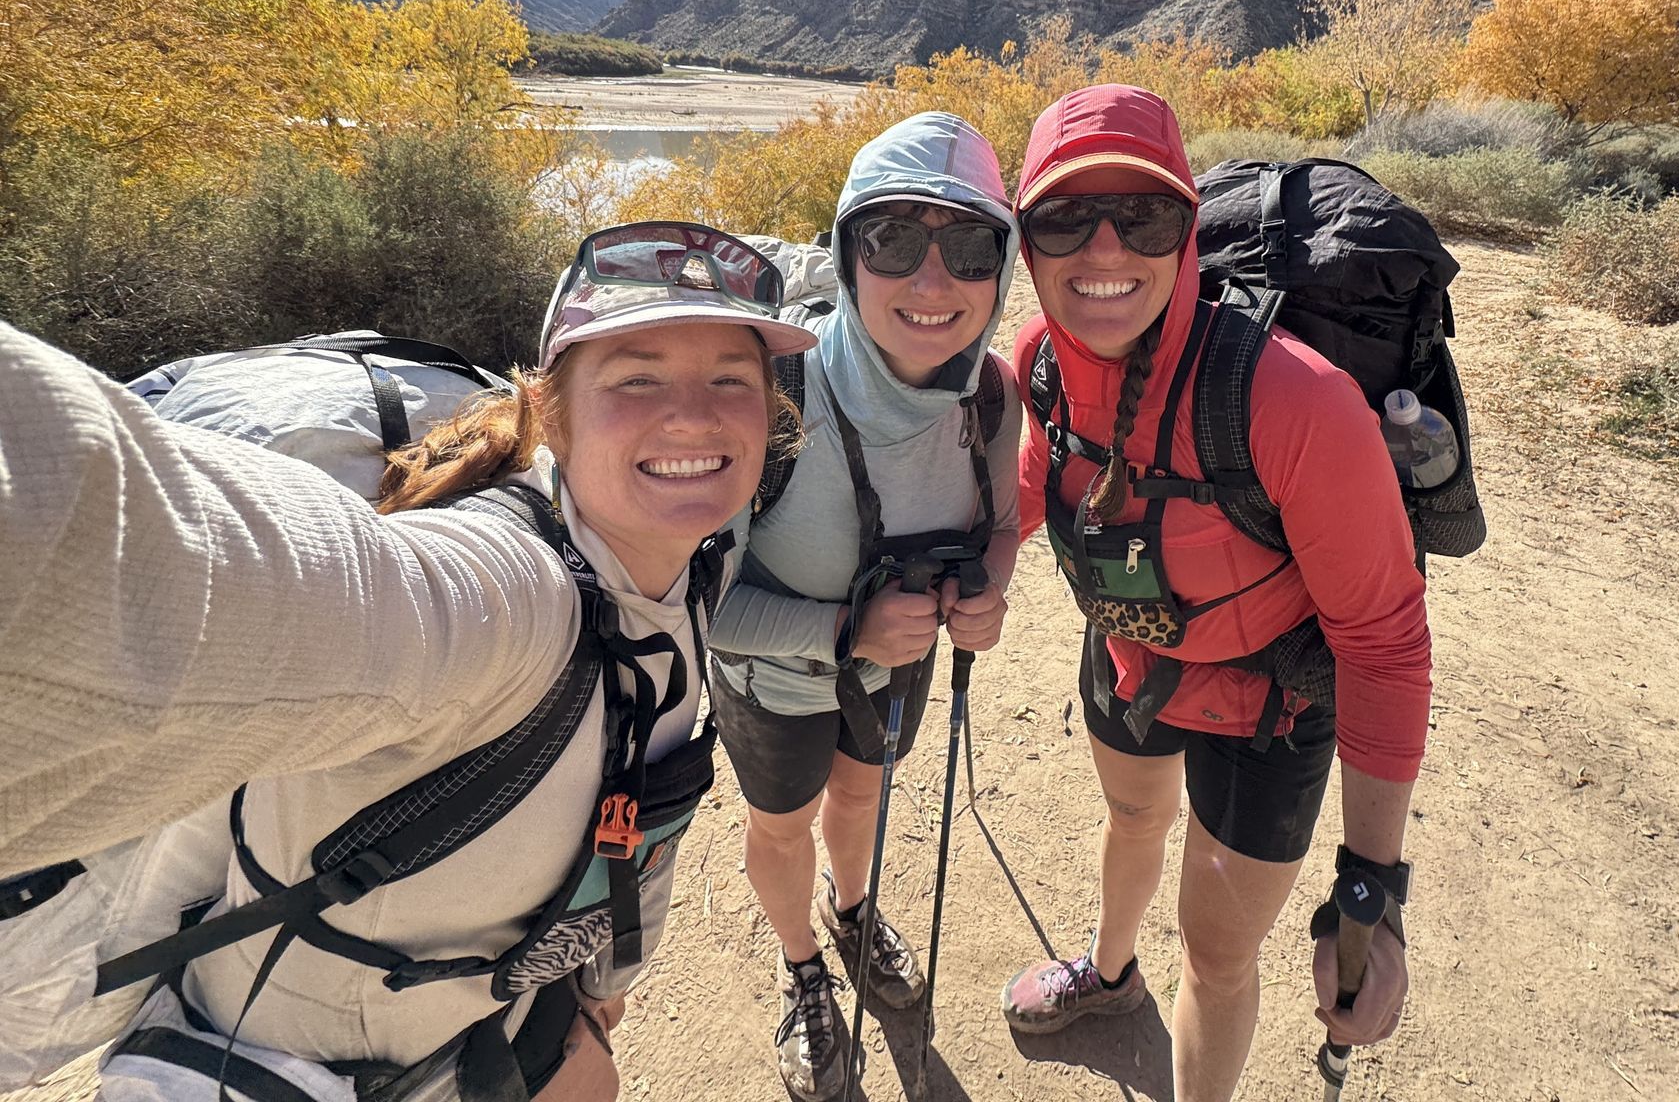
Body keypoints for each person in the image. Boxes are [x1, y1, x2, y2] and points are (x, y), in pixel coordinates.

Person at [0, 222, 815, 1102]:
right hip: (280, 1074)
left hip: (484, 1024)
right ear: (551, 414)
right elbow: (231, 581)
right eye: (636, 376)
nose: (693, 412)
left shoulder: (691, 567)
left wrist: (589, 984)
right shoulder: (507, 597)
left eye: (731, 379)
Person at [997, 86, 1430, 1102]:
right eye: (1065, 218)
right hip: (1127, 654)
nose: (1105, 252)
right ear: (1027, 243)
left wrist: (1375, 887)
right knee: (1131, 821)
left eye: (1141, 216)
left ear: (1186, 232)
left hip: (1269, 711)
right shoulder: (1038, 365)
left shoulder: (1296, 400)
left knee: (1218, 955)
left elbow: (1383, 642)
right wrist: (943, 581)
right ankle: (1107, 976)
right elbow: (1025, 491)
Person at [706, 113, 1021, 1101]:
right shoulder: (775, 390)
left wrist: (992, 592)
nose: (932, 283)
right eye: (892, 240)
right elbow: (698, 605)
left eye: (968, 247)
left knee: (863, 792)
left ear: (1000, 269)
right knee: (783, 823)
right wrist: (843, 631)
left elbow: (1004, 524)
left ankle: (853, 911)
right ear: (848, 251)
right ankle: (806, 968)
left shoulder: (994, 397)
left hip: (901, 660)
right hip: (773, 676)